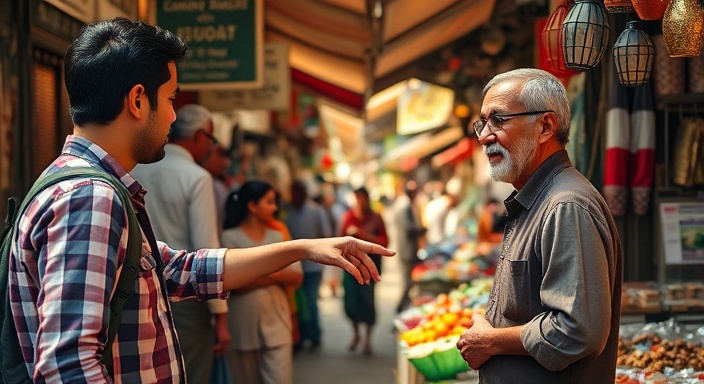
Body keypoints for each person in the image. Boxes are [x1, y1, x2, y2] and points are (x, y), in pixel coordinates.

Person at [8, 18, 393, 383]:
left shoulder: (83, 186)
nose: (174, 115)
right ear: (138, 101)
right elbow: (67, 364)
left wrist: (302, 248)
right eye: (171, 98)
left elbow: (178, 269)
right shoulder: (90, 198)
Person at [456, 68, 623, 383]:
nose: (483, 135)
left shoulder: (566, 206)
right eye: (483, 122)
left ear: (546, 126)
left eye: (499, 120)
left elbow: (577, 330)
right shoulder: (537, 199)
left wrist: (491, 340)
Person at [130, 103, 230, 384]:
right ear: (199, 137)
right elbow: (205, 248)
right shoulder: (196, 177)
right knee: (193, 370)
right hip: (187, 294)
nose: (210, 147)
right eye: (210, 139)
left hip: (141, 288)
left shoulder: (138, 169)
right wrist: (220, 316)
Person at [220, 181, 302, 384]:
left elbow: (296, 277)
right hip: (242, 327)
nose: (275, 207)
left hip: (278, 323)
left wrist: (252, 273)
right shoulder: (229, 237)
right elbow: (228, 282)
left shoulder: (278, 236)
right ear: (252, 205)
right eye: (270, 202)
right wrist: (274, 270)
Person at [339, 187, 388, 355]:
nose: (361, 201)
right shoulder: (348, 217)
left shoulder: (376, 218)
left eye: (363, 198)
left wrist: (363, 235)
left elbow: (385, 240)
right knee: (351, 304)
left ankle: (367, 340)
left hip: (370, 268)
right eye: (358, 198)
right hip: (351, 268)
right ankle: (356, 334)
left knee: (368, 304)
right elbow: (338, 241)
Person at [284, 179, 332, 351]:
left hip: (312, 265)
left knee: (311, 300)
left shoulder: (315, 211)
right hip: (293, 265)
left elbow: (325, 234)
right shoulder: (287, 211)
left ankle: (314, 334)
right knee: (298, 302)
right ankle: (302, 334)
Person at [391, 179, 426, 313]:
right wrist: (422, 230)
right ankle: (400, 308)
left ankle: (404, 307)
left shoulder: (407, 205)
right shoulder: (405, 207)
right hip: (406, 250)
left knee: (409, 281)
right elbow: (408, 228)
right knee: (407, 282)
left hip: (408, 249)